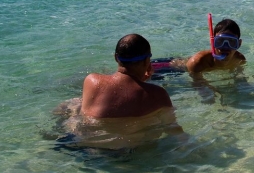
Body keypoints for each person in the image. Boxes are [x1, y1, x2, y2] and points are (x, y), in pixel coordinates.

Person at [55, 33, 183, 148]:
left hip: (80, 143)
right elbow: (172, 129)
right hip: (125, 152)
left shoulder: (91, 80)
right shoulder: (157, 94)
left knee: (74, 103)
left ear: (116, 57)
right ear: (147, 60)